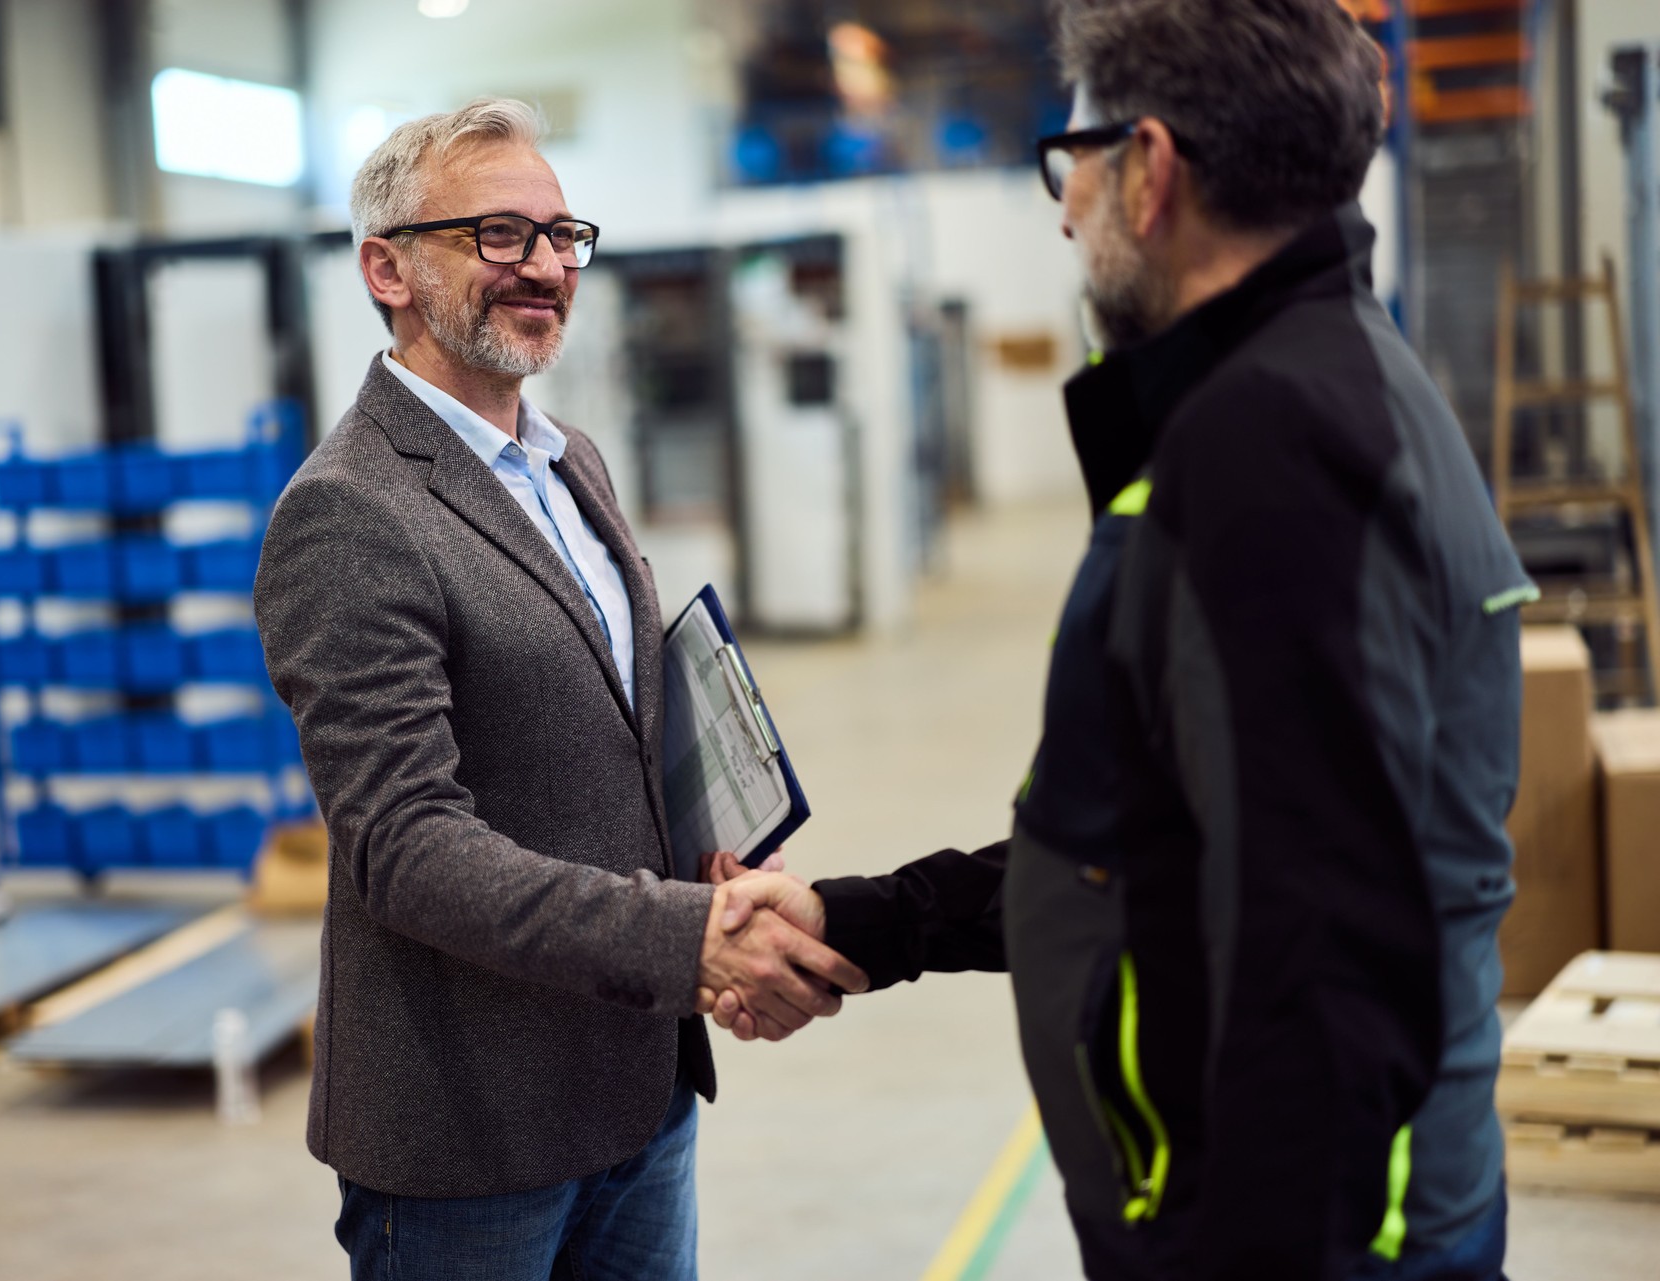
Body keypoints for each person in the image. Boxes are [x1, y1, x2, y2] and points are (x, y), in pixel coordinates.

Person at [710, 2, 1532, 1277]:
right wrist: (872, 921)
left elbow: (1320, 966)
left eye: (1074, 158)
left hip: (1319, 1238)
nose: (1060, 208)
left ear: (1148, 171)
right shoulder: (1310, 391)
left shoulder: (1269, 453)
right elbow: (1153, 844)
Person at [254, 98, 866, 1281]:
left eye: (559, 236)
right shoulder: (349, 513)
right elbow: (407, 846)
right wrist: (689, 935)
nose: (542, 266)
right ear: (387, 268)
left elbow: (608, 722)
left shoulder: (567, 456)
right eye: (496, 235)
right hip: (473, 1133)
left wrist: (708, 851)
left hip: (636, 1080)